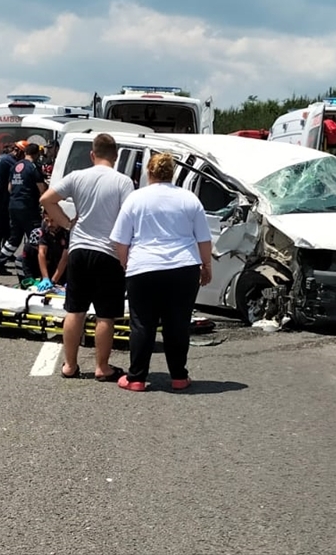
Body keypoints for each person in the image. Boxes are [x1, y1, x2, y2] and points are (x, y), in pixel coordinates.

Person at [110, 152, 213, 392]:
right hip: (183, 267)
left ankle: (136, 377)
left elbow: (120, 241)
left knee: (142, 323)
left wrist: (127, 264)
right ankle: (178, 376)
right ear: (173, 173)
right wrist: (206, 265)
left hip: (143, 267)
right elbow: (204, 239)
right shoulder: (189, 199)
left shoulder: (136, 199)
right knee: (177, 323)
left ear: (149, 172)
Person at [40, 133, 135, 381]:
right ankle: (102, 367)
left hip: (79, 249)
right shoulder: (123, 182)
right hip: (108, 252)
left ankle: (69, 365)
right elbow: (129, 217)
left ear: (92, 155)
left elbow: (46, 199)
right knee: (105, 314)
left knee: (75, 310)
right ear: (115, 156)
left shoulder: (77, 176)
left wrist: (67, 224)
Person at [0, 142, 48, 273]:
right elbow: (42, 190)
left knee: (15, 238)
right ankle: (34, 267)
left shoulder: (16, 165)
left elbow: (10, 188)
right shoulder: (33, 167)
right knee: (36, 236)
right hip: (28, 207)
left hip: (14, 205)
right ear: (36, 154)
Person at [22, 209, 70, 291]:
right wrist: (45, 278)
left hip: (69, 262)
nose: (49, 224)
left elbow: (64, 259)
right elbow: (42, 252)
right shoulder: (45, 225)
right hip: (53, 257)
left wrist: (53, 281)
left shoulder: (67, 229)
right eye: (47, 220)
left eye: (52, 221)